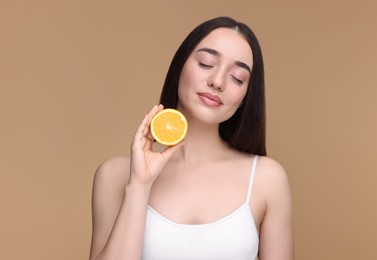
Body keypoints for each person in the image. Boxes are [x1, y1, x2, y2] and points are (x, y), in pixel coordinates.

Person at [89, 16, 294, 260]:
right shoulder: (115, 176)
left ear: (245, 98)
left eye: (237, 77)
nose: (217, 82)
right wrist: (139, 187)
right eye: (206, 63)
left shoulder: (266, 178)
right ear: (180, 67)